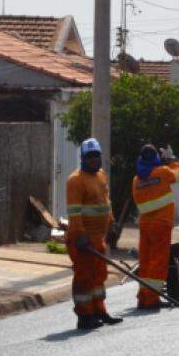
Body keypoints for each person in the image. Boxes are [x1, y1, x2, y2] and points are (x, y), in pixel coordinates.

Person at [65, 139, 121, 331]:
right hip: (82, 239)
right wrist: (80, 235)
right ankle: (84, 315)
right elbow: (74, 211)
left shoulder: (101, 175)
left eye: (96, 156)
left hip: (99, 238)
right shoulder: (75, 180)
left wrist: (112, 223)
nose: (93, 160)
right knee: (84, 277)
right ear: (82, 158)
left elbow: (106, 201)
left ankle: (99, 311)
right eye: (89, 157)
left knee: (99, 276)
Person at [131, 143, 179, 310]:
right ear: (155, 159)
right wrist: (171, 160)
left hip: (145, 225)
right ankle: (152, 298)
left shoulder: (136, 181)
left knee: (145, 261)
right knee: (158, 262)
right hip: (161, 224)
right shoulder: (162, 172)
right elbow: (178, 176)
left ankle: (143, 297)